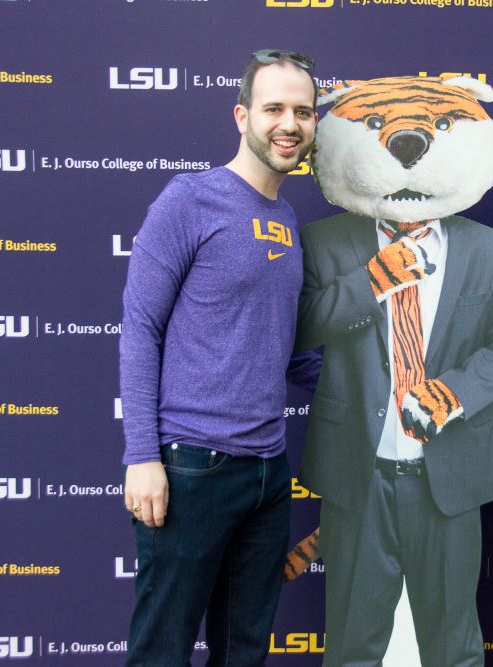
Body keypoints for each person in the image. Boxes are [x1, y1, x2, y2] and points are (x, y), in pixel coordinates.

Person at [291, 80, 493, 664]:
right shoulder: (323, 243)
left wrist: (454, 392)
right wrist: (374, 281)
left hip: (449, 474)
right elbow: (297, 333)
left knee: (452, 642)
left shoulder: (488, 248)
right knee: (353, 641)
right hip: (358, 471)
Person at [119, 49, 317, 666]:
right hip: (192, 470)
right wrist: (142, 456)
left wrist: (375, 377)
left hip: (267, 473)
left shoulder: (287, 218)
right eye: (274, 109)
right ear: (242, 116)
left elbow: (277, 348)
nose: (290, 124)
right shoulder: (190, 199)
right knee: (162, 650)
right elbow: (140, 328)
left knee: (243, 652)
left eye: (304, 112)